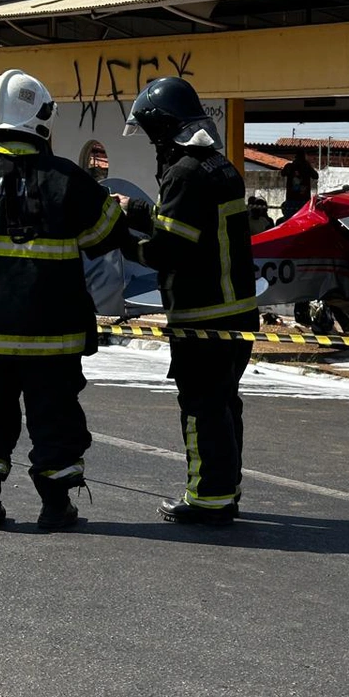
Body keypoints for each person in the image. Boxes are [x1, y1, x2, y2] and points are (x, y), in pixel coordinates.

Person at [0, 70, 130, 531]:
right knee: (55, 421)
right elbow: (107, 234)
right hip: (52, 337)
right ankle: (56, 506)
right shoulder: (68, 179)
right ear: (40, 117)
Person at [114, 77, 258, 525]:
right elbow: (190, 224)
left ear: (162, 128)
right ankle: (224, 489)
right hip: (236, 314)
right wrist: (137, 211)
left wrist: (121, 241)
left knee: (201, 407)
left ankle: (208, 499)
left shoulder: (182, 174)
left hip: (203, 317)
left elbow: (169, 251)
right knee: (223, 404)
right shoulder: (219, 166)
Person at [280, 149, 318, 221]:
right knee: (303, 220)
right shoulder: (306, 167)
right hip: (303, 199)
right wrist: (307, 166)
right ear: (304, 157)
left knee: (290, 221)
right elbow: (315, 176)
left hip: (292, 198)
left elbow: (282, 173)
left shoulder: (289, 166)